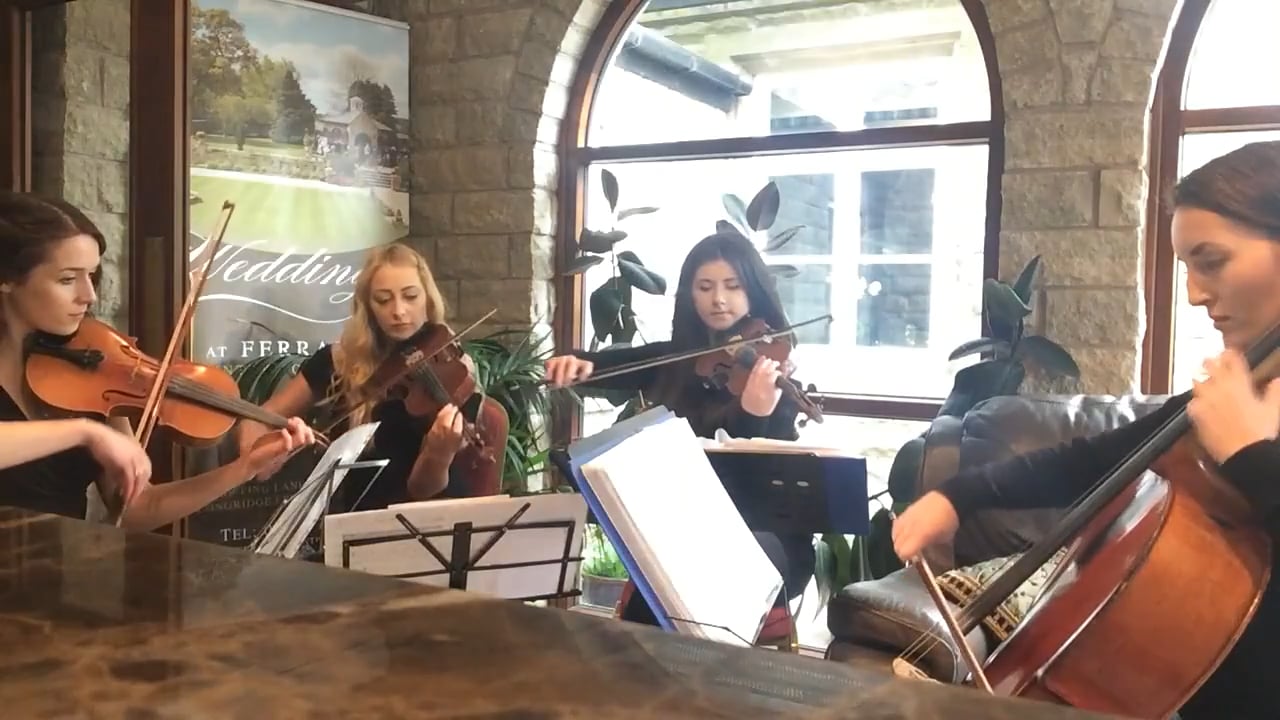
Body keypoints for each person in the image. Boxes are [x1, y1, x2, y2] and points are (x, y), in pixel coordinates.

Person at [891, 140, 1280, 719]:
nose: (1196, 294)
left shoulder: (1241, 414)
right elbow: (1092, 461)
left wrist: (1249, 455)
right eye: (1187, 269)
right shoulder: (1245, 386)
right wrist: (956, 495)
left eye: (1212, 261)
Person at [545, 230, 817, 625]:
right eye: (705, 287)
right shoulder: (680, 359)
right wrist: (576, 363)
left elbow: (751, 483)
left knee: (697, 572)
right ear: (690, 294)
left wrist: (754, 414)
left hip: (765, 538)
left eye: (733, 286)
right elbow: (617, 366)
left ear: (754, 291)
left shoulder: (772, 373)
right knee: (665, 584)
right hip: (689, 534)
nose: (718, 299)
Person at [0, 191, 315, 530]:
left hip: (51, 563)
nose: (88, 295)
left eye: (91, 275)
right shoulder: (87, 422)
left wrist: (244, 468)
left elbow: (138, 508)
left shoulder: (92, 372)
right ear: (7, 279)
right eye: (67, 279)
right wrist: (84, 432)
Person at [238, 242, 504, 512]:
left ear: (428, 298)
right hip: (358, 513)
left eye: (411, 296)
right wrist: (255, 457)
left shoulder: (451, 361)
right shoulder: (338, 362)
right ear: (367, 306)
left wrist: (438, 453)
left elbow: (424, 489)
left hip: (436, 509)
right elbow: (259, 417)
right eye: (383, 300)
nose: (398, 311)